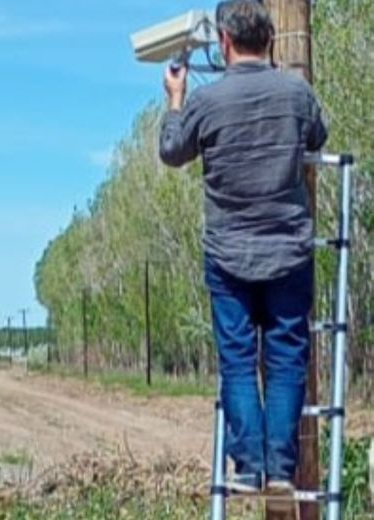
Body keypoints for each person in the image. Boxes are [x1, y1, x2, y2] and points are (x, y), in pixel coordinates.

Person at [158, 0, 328, 498]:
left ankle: (248, 468)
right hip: (288, 250)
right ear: (270, 41)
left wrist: (175, 98)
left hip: (229, 254)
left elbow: (172, 151)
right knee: (286, 360)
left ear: (225, 42)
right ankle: (280, 470)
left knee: (237, 362)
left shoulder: (206, 104)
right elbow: (319, 134)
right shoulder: (296, 92)